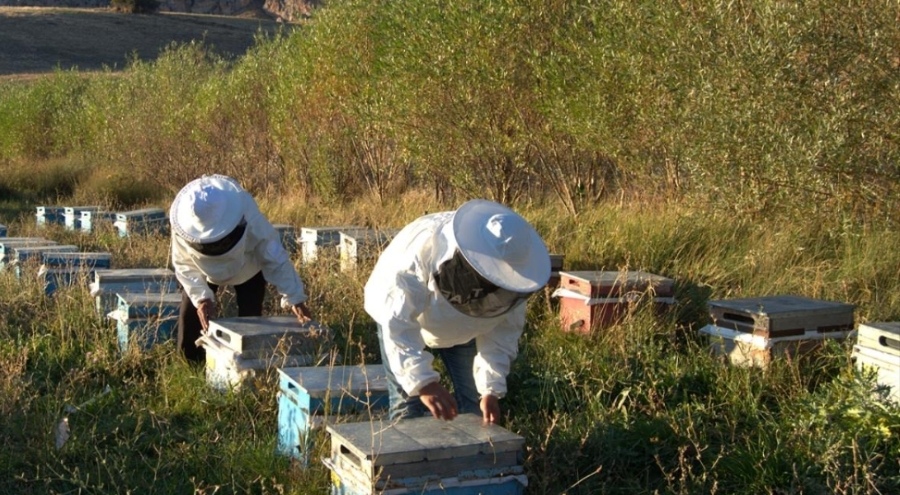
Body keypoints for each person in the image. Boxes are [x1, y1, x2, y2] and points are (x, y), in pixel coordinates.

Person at [364, 199, 550, 424]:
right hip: (403, 317)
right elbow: (397, 323)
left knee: (474, 406)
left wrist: (490, 390)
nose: (492, 290)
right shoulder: (420, 250)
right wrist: (423, 383)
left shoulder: (515, 282)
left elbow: (502, 334)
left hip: (463, 331)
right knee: (407, 407)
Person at [169, 174, 312, 362]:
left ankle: (249, 365)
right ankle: (190, 363)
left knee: (251, 325)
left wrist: (295, 298)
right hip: (202, 268)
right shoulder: (182, 222)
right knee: (191, 318)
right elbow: (183, 263)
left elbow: (273, 254)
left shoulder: (246, 211)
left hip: (247, 265)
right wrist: (201, 298)